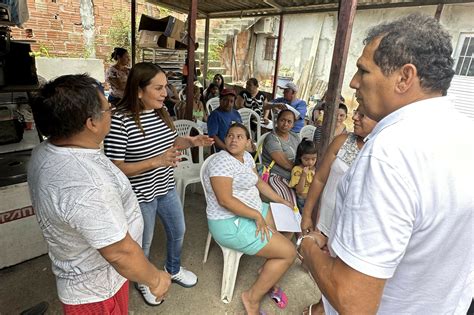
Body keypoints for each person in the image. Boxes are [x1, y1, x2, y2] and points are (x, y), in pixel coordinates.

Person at [298, 14, 474, 314]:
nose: (354, 83)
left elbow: (353, 302)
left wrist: (309, 248)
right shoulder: (465, 132)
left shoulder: (389, 152)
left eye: (363, 71)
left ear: (405, 77)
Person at [28, 74, 171, 313]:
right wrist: (155, 279)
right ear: (91, 123)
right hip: (97, 293)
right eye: (108, 109)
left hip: (100, 279)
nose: (111, 113)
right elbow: (120, 252)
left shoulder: (46, 150)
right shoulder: (86, 184)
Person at [103, 62, 214, 306]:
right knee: (143, 243)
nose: (166, 93)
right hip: (139, 196)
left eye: (166, 87)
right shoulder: (119, 121)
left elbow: (171, 141)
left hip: (164, 187)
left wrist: (191, 141)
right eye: (159, 88)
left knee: (178, 230)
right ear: (139, 90)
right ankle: (144, 280)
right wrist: (156, 161)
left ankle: (172, 269)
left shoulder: (161, 113)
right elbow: (115, 169)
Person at [203, 123, 297, 314]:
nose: (233, 139)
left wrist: (281, 200)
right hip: (228, 221)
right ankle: (251, 298)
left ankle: (268, 272)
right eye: (230, 135)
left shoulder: (246, 157)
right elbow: (225, 201)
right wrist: (256, 216)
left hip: (254, 208)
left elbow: (258, 183)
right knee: (289, 252)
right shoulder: (220, 162)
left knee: (290, 225)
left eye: (239, 136)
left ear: (248, 142)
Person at [299, 107, 377, 315]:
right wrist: (307, 214)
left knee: (341, 277)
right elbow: (320, 179)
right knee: (322, 269)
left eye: (364, 114)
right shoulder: (342, 141)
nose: (356, 117)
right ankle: (321, 306)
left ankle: (320, 308)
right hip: (326, 220)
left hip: (352, 232)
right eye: (357, 112)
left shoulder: (381, 153)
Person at [261, 109, 299, 208]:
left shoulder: (295, 137)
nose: (285, 124)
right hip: (275, 176)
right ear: (277, 121)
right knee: (288, 202)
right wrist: (300, 171)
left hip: (294, 175)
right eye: (283, 120)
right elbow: (285, 163)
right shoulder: (272, 138)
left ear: (293, 124)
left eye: (289, 121)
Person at [288, 139, 317, 211]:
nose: (310, 162)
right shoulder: (297, 170)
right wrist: (303, 175)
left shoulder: (315, 169)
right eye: (306, 159)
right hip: (303, 200)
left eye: (313, 159)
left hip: (313, 199)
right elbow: (299, 190)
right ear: (300, 157)